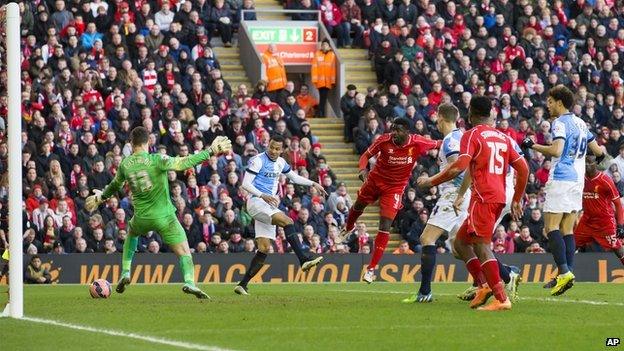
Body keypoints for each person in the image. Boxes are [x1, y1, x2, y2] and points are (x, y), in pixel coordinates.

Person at [85, 127, 232, 299]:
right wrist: (210, 151)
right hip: (165, 218)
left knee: (132, 233)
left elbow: (115, 186)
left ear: (131, 143)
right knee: (184, 252)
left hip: (141, 218)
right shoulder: (157, 159)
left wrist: (101, 196)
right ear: (148, 142)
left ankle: (126, 271)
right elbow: (184, 163)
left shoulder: (125, 164)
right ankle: (189, 282)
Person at [418, 96, 529, 311]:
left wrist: (430, 181)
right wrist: (516, 199)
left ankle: (501, 297)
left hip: (484, 197)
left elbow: (459, 166)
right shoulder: (503, 137)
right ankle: (484, 286)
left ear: (471, 113)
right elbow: (523, 169)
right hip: (498, 196)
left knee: (481, 246)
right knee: (460, 243)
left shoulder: (471, 135)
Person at [521, 85, 604, 296]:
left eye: (550, 102)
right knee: (567, 229)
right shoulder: (581, 122)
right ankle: (565, 273)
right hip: (577, 180)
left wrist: (533, 145)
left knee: (551, 228)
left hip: (561, 179)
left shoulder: (559, 123)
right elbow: (599, 152)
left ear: (559, 102)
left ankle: (565, 272)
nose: (547, 106)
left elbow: (556, 150)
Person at [340, 117, 440, 283]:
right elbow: (365, 155)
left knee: (385, 225)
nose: (394, 132)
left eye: (398, 130)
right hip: (374, 180)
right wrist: (362, 170)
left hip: (394, 188)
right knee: (358, 205)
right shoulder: (384, 140)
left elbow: (440, 143)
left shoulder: (417, 142)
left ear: (407, 131)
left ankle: (371, 269)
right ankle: (348, 227)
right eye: (392, 129)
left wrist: (462, 141)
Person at [235, 134, 327, 295]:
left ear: (282, 149)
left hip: (267, 205)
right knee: (288, 221)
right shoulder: (258, 160)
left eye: (277, 148)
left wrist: (313, 183)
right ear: (268, 145)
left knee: (264, 248)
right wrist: (262, 195)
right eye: (271, 147)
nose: (273, 150)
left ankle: (242, 284)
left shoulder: (281, 162)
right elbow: (245, 184)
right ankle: (304, 259)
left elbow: (294, 177)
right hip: (256, 202)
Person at [574, 153, 624, 265]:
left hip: (604, 221)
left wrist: (620, 224)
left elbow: (618, 204)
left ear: (596, 163)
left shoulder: (605, 180)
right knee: (572, 245)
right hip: (586, 221)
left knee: (617, 248)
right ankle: (563, 276)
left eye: (589, 163)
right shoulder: (581, 178)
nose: (586, 165)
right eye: (584, 163)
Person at [311, 39, 337, 118]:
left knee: (323, 98)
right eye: (323, 45)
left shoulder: (332, 55)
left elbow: (333, 68)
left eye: (326, 45)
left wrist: (333, 81)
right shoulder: (317, 54)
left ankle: (319, 113)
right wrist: (314, 80)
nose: (324, 46)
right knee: (323, 97)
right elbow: (314, 67)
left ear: (329, 46)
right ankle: (320, 113)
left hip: (328, 81)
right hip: (320, 81)